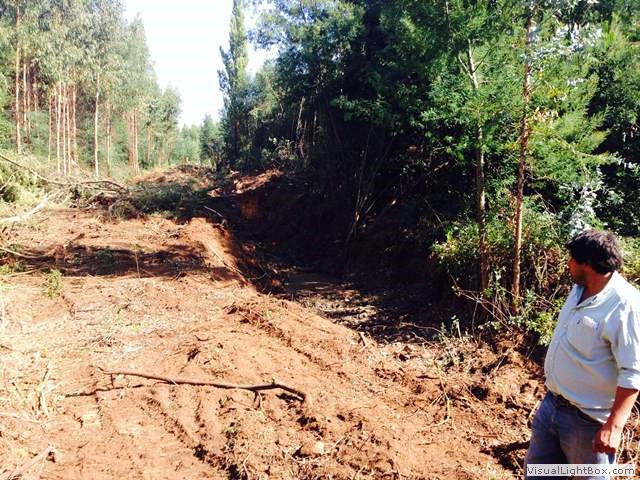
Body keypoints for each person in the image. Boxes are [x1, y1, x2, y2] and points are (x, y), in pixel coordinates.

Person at [524, 229, 640, 480]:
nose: (568, 264)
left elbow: (633, 372)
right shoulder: (579, 289)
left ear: (587, 263)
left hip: (587, 424)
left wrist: (614, 427)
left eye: (572, 259)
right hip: (551, 406)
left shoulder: (626, 306)